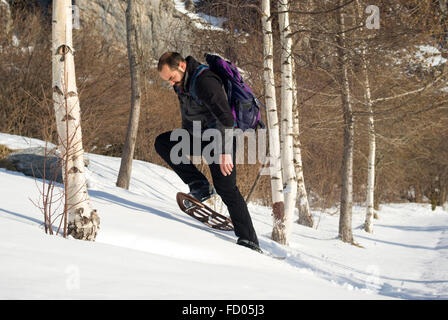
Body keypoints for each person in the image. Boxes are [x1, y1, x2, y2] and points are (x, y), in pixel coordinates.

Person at [154, 52, 262, 253]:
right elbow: (189, 115)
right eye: (167, 80)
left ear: (181, 66)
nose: (170, 83)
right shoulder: (182, 83)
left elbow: (226, 119)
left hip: (220, 139)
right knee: (163, 143)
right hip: (198, 136)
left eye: (171, 78)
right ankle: (200, 186)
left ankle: (249, 240)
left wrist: (224, 152)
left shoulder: (205, 81)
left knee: (226, 188)